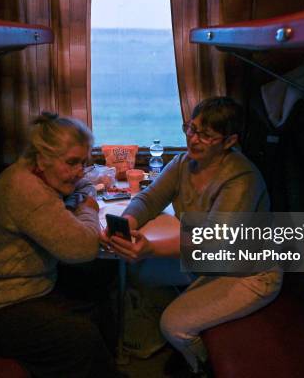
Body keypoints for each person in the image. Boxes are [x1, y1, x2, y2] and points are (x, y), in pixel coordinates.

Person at [103, 97, 283, 376]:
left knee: (172, 325)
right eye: (191, 128)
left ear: (229, 141)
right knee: (139, 272)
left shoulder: (241, 178)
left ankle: (201, 363)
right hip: (211, 263)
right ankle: (193, 330)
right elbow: (150, 199)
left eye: (206, 135)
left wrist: (150, 247)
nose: (193, 139)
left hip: (249, 272)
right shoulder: (184, 162)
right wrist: (127, 222)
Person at [0, 112, 120, 377]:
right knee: (80, 336)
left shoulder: (27, 173)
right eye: (71, 163)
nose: (79, 172)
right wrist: (88, 209)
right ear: (42, 159)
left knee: (95, 287)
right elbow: (84, 248)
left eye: (83, 163)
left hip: (11, 289)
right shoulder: (25, 189)